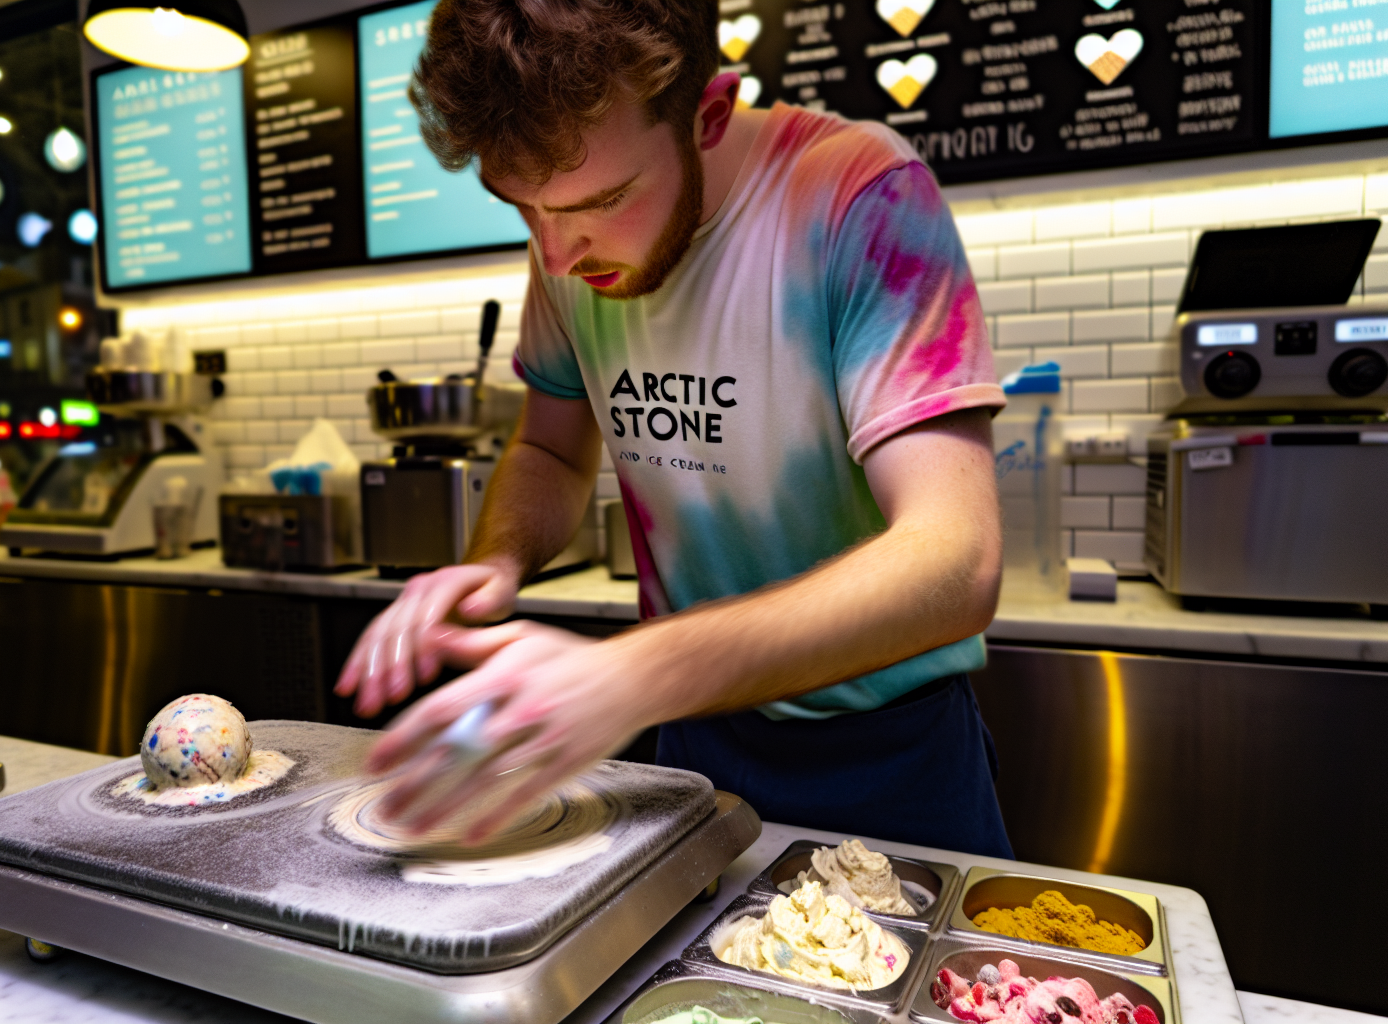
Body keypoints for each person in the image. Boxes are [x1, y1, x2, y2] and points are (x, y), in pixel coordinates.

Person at [337, 0, 1013, 857]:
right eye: (524, 208)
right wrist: (495, 562)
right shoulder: (567, 241)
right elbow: (549, 448)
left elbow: (957, 559)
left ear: (709, 115)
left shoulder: (858, 196)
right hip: (695, 742)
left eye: (603, 201)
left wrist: (632, 672)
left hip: (891, 753)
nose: (556, 256)